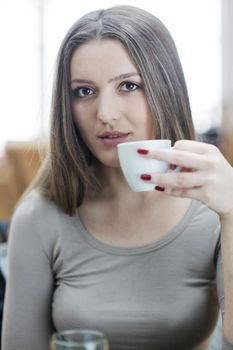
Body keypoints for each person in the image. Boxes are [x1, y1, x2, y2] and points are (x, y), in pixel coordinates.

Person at [2, 5, 233, 350]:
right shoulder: (40, 216)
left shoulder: (214, 207)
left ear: (165, 90)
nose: (105, 114)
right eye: (84, 91)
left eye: (128, 85)